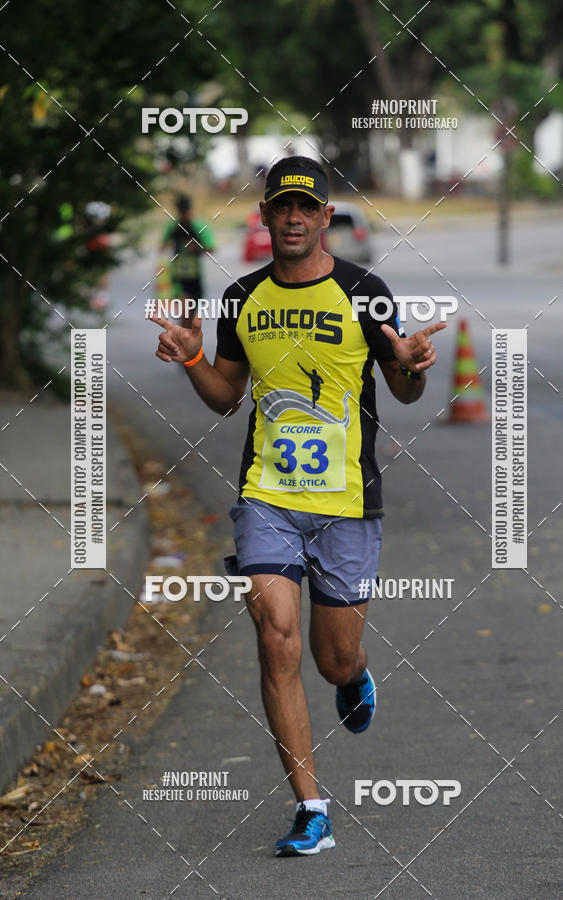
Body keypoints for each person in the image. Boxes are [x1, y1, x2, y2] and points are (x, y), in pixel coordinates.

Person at [150, 156, 445, 857]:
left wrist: (409, 366)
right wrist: (192, 359)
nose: (292, 218)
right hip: (268, 497)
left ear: (324, 217)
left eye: (305, 208)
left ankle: (353, 675)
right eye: (281, 206)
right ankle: (312, 809)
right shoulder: (242, 298)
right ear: (264, 216)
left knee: (331, 660)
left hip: (347, 502)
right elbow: (227, 398)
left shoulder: (365, 293)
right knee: (274, 636)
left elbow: (404, 390)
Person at [161, 194, 216, 328]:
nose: (183, 214)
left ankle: (186, 338)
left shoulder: (198, 226)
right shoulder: (173, 226)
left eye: (185, 211)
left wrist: (196, 248)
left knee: (191, 315)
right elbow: (162, 246)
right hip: (178, 276)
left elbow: (211, 247)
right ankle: (181, 338)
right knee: (185, 310)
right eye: (181, 211)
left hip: (195, 276)